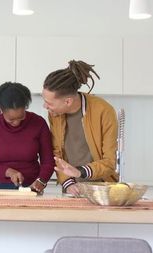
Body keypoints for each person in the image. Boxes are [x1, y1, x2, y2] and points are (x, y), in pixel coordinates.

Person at [42, 60, 118, 196]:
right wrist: (68, 183)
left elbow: (110, 161)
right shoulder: (55, 114)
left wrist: (80, 172)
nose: (45, 107)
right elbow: (56, 153)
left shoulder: (103, 111)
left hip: (102, 189)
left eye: (49, 103)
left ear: (68, 101)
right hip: (71, 188)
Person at [0, 82, 54, 193]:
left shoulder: (38, 123)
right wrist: (9, 172)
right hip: (0, 186)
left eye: (21, 117)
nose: (17, 123)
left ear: (25, 107)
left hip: (32, 186)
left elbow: (48, 161)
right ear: (1, 109)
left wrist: (41, 180)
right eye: (11, 120)